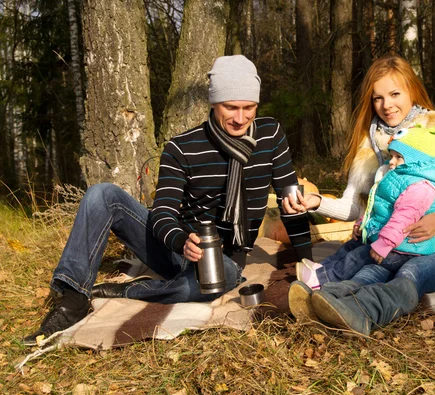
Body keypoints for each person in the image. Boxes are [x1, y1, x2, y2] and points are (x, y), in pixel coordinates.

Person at [23, 55, 313, 346]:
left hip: (225, 260)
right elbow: (161, 214)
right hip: (176, 246)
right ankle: (73, 297)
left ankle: (129, 292)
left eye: (248, 108)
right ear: (213, 103)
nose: (240, 118)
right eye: (230, 107)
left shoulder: (271, 136)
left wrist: (307, 262)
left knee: (220, 277)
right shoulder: (181, 148)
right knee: (101, 195)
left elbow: (292, 203)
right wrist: (180, 241)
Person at [284, 55, 435, 336]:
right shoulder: (371, 144)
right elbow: (354, 208)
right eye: (378, 98)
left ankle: (364, 312)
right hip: (395, 240)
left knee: (412, 272)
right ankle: (326, 301)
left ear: (412, 91)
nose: (387, 105)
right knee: (372, 270)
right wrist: (317, 203)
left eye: (395, 94)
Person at [296, 124, 435, 290]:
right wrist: (363, 224)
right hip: (390, 237)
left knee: (360, 256)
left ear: (417, 160)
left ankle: (322, 280)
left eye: (398, 157)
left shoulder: (421, 187)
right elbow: (378, 206)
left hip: (405, 246)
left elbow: (402, 218)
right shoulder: (400, 176)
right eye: (392, 155)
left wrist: (384, 244)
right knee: (352, 245)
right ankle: (321, 268)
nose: (392, 162)